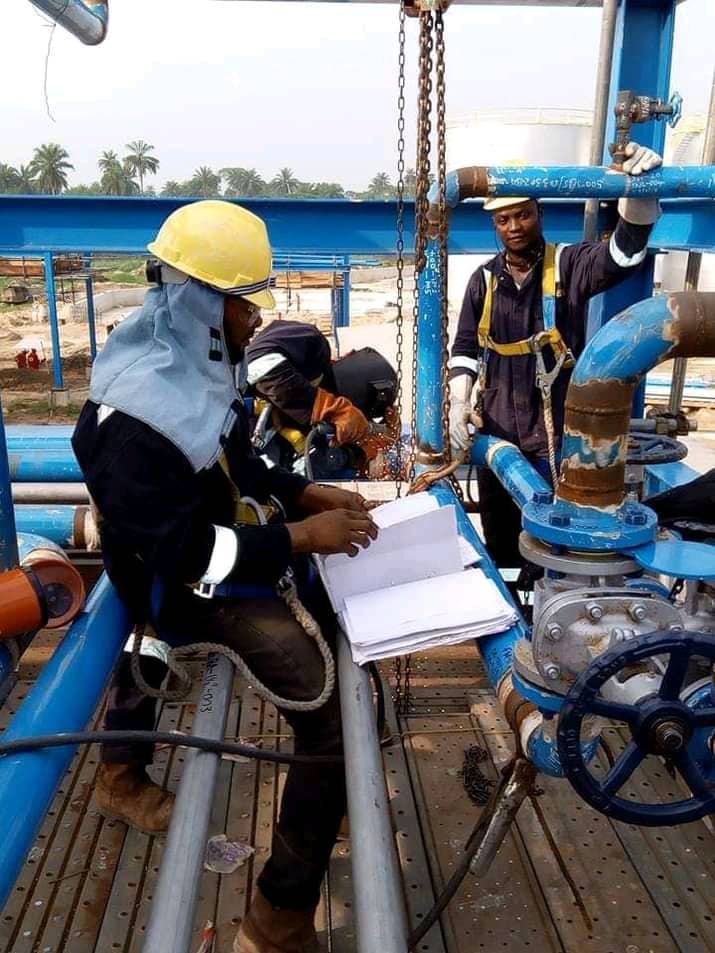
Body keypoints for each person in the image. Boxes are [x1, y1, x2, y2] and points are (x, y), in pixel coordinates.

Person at [72, 199, 378, 953]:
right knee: (333, 716)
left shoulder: (195, 361)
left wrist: (304, 493)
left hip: (212, 547)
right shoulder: (134, 420)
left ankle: (121, 767)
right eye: (244, 302)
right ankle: (276, 918)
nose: (254, 319)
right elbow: (183, 555)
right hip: (181, 583)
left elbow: (235, 457)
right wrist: (300, 536)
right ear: (198, 300)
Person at [448, 142, 664, 568]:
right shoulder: (484, 281)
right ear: (495, 224)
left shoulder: (569, 265)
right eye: (504, 219)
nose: (514, 226)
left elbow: (622, 256)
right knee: (502, 539)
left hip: (556, 442)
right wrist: (458, 402)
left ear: (539, 213)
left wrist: (638, 195)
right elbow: (465, 349)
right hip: (497, 435)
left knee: (553, 544)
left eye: (523, 214)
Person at [246, 319, 400, 477]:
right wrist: (329, 407)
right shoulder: (313, 346)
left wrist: (358, 455)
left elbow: (309, 471)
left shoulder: (314, 431)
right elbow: (257, 362)